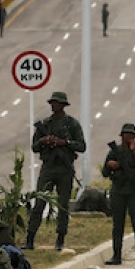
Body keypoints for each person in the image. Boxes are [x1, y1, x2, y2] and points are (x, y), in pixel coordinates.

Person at [25, 91, 87, 251]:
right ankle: (30, 238)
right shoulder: (44, 125)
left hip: (65, 168)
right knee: (39, 203)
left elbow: (81, 146)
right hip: (48, 167)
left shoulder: (72, 124)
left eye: (58, 103)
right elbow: (34, 147)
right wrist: (44, 141)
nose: (55, 105)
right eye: (53, 103)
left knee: (63, 206)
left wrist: (64, 142)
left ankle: (60, 238)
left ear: (63, 105)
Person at [102, 123, 135, 267]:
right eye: (126, 135)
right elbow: (105, 173)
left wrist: (134, 151)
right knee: (118, 225)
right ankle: (116, 255)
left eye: (131, 135)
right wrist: (111, 165)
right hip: (118, 190)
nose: (128, 137)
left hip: (134, 192)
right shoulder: (115, 151)